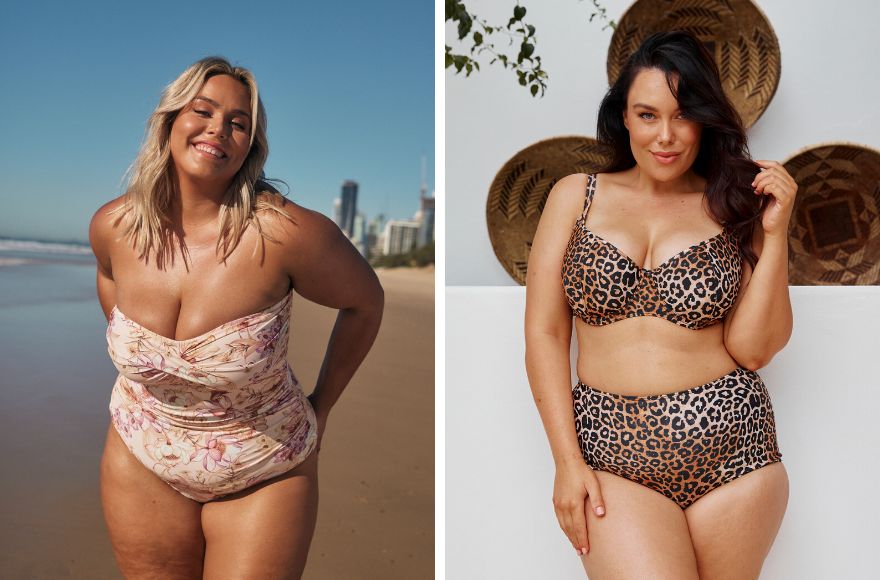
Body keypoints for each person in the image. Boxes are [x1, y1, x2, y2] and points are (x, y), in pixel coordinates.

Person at [89, 56, 384, 578]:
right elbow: (110, 281)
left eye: (238, 122)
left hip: (264, 465)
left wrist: (324, 406)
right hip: (142, 454)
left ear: (251, 144)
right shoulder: (113, 227)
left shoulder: (286, 234)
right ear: (170, 120)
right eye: (202, 111)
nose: (217, 130)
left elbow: (365, 301)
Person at [525, 31, 797, 579]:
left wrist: (776, 235)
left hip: (735, 455)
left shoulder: (730, 205)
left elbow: (754, 349)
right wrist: (565, 463)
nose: (666, 136)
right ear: (623, 118)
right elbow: (545, 334)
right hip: (611, 461)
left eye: (683, 115)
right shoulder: (575, 195)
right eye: (648, 115)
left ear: (704, 119)